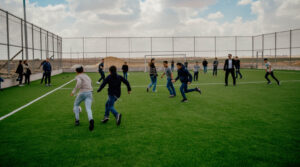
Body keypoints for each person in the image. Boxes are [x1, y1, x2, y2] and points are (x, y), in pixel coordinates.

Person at [70, 66, 94, 131]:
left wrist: (73, 91)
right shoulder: (87, 76)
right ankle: (91, 120)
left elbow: (79, 83)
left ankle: (77, 121)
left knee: (76, 105)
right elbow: (91, 82)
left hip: (83, 92)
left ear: (77, 71)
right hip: (90, 92)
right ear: (83, 70)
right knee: (88, 108)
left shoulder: (78, 76)